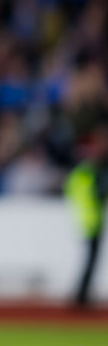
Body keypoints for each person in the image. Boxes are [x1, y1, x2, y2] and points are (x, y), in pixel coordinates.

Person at [64, 124, 108, 308]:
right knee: (90, 261)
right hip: (93, 221)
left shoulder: (78, 174)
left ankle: (81, 294)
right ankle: (81, 297)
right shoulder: (92, 174)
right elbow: (99, 194)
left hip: (84, 220)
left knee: (88, 261)